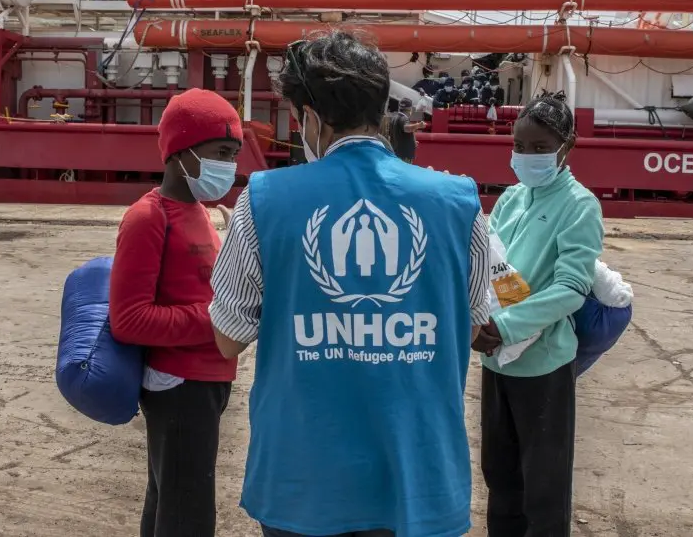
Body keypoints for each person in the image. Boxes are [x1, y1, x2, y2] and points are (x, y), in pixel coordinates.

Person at [209, 31, 491, 537]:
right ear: (381, 106)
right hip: (417, 478)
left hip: (304, 479)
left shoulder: (263, 199)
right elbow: (469, 327)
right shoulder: (459, 202)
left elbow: (229, 336)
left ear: (310, 119)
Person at [108, 88, 243, 537]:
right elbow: (129, 320)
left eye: (234, 153)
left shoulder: (203, 213)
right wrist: (222, 317)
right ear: (182, 151)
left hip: (209, 379)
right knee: (188, 514)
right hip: (178, 384)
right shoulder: (148, 217)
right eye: (221, 152)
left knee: (171, 500)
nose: (230, 165)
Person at [473, 94, 604, 537]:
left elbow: (571, 288)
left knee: (544, 485)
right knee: (500, 474)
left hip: (543, 361)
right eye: (521, 146)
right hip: (497, 359)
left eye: (540, 146)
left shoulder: (579, 205)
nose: (528, 156)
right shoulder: (512, 198)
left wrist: (504, 327)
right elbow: (484, 260)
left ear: (568, 145)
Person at [383, 97, 425, 163]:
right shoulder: (404, 118)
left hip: (396, 153)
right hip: (404, 156)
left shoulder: (394, 117)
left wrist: (412, 142)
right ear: (409, 108)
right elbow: (406, 128)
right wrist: (418, 125)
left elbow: (398, 134)